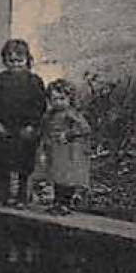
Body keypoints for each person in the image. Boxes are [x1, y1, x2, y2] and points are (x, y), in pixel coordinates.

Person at [0, 38, 47, 206]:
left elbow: (39, 105)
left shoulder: (34, 81)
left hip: (25, 129)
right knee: (2, 162)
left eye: (20, 61)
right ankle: (1, 195)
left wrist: (32, 125)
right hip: (4, 128)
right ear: (5, 61)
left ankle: (22, 196)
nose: (15, 65)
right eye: (11, 61)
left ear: (27, 60)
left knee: (24, 163)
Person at [39, 78, 91, 214]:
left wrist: (68, 134)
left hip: (68, 151)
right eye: (54, 99)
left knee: (67, 177)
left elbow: (85, 129)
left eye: (61, 99)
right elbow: (45, 130)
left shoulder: (71, 114)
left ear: (69, 99)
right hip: (54, 149)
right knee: (56, 176)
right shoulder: (49, 115)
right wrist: (44, 145)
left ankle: (65, 203)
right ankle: (57, 202)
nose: (58, 103)